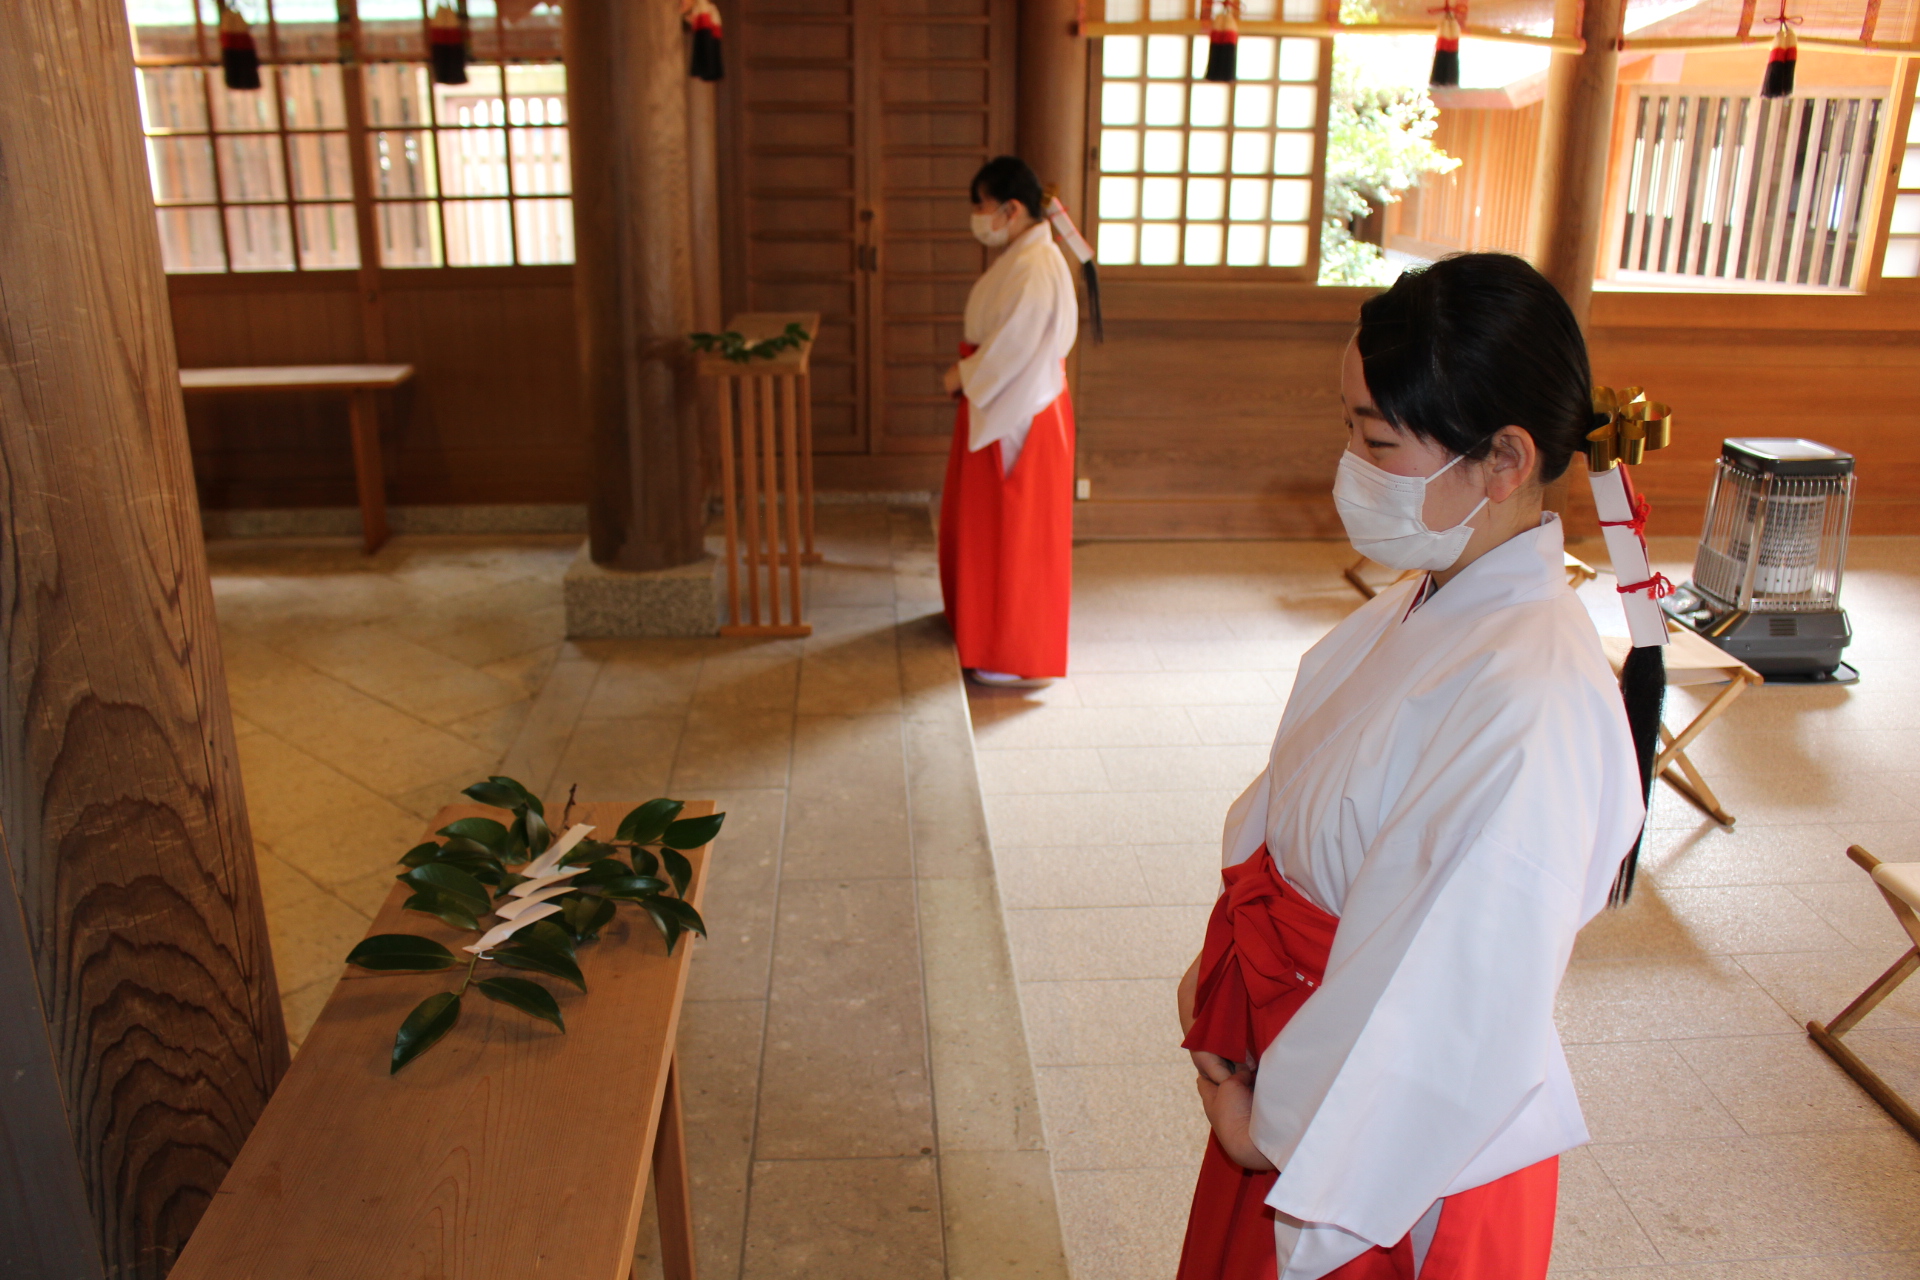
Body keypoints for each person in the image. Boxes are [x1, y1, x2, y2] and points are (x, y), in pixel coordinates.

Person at [1175, 253, 1645, 1280]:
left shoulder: (1533, 700)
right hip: (1290, 1050)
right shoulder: (1433, 594)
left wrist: (1272, 1124)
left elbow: (1442, 987)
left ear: (1502, 459)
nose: (1348, 460)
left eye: (1376, 439)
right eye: (1349, 425)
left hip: (1372, 1133)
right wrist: (1225, 988)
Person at [938, 156, 1079, 686]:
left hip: (1018, 406)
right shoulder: (1027, 257)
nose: (977, 216)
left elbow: (1016, 346)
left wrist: (965, 375)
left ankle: (1007, 650)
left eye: (981, 204)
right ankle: (988, 633)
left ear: (1010, 209)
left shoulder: (1037, 265)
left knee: (1011, 529)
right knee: (994, 527)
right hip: (1008, 398)